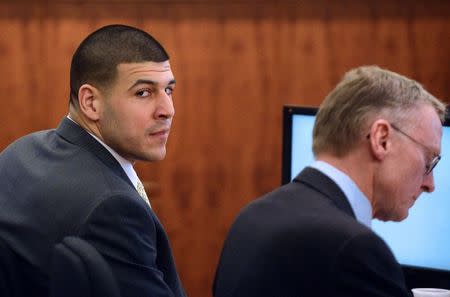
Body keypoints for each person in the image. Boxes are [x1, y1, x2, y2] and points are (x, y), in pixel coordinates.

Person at [213, 66, 446, 297]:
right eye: (429, 161)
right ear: (382, 139)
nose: (430, 184)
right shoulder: (354, 250)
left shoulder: (252, 217)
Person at [0, 24, 186, 297]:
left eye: (168, 90)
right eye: (143, 93)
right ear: (90, 102)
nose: (167, 110)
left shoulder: (23, 150)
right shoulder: (112, 209)